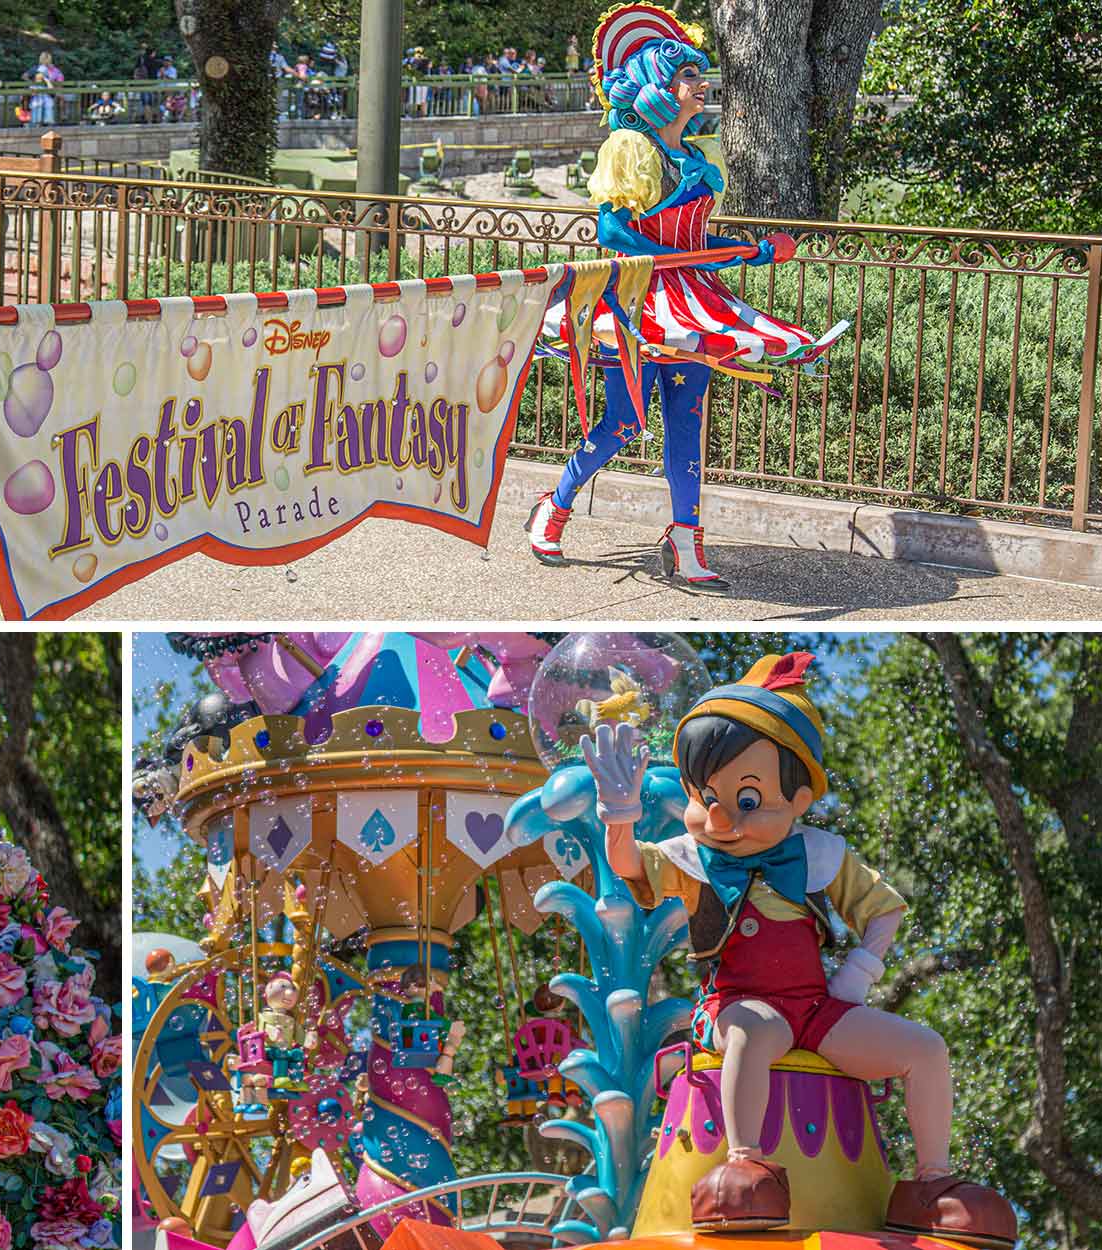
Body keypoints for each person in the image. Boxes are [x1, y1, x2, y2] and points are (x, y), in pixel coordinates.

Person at [581, 654, 1017, 1246]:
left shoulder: (818, 853)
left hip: (815, 1011)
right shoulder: (692, 857)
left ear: (801, 797)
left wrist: (859, 976)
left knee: (926, 1048)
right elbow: (630, 866)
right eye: (705, 793)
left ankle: (930, 1185)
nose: (721, 815)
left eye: (749, 798)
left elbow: (884, 910)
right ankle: (743, 1163)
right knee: (752, 1031)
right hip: (732, 1004)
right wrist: (620, 817)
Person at [527, 4, 842, 588]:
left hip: (694, 300)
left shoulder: (693, 158)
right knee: (623, 422)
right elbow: (615, 232)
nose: (702, 85)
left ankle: (685, 540)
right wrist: (704, 255)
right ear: (658, 87)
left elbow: (696, 238)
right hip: (640, 300)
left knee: (686, 422)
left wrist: (756, 251)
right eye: (690, 76)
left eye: (698, 74)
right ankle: (556, 503)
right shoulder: (629, 150)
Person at [28, 51, 63, 127]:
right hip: (39, 93)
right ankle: (39, 124)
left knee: (47, 105)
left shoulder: (53, 70)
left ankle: (45, 123)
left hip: (47, 93)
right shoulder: (36, 69)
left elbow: (60, 80)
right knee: (39, 106)